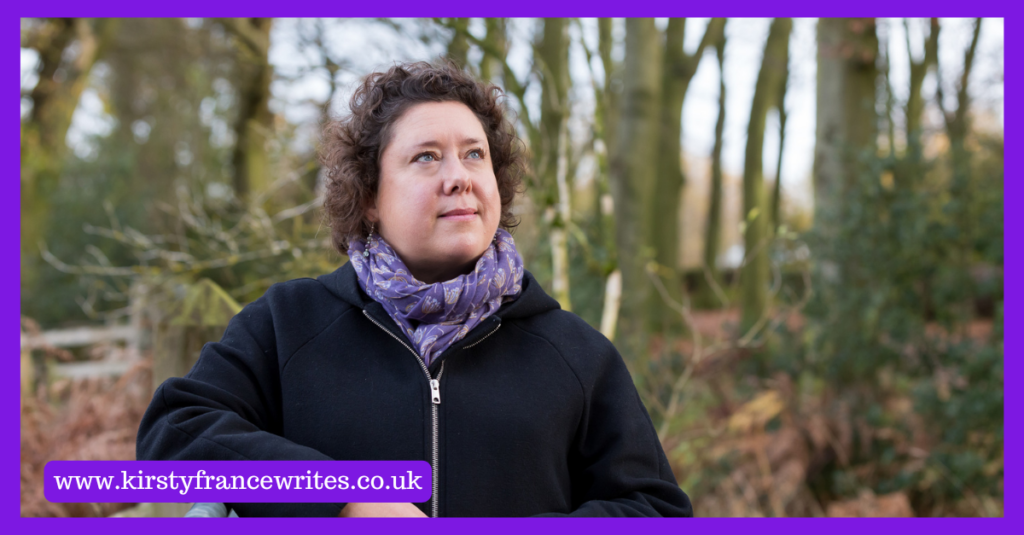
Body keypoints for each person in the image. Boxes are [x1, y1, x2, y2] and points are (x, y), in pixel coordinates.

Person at [136, 60, 693, 518]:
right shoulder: (288, 324)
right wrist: (341, 497)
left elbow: (655, 507)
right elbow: (173, 438)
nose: (460, 176)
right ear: (370, 197)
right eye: (426, 157)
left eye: (475, 154)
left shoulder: (576, 352)